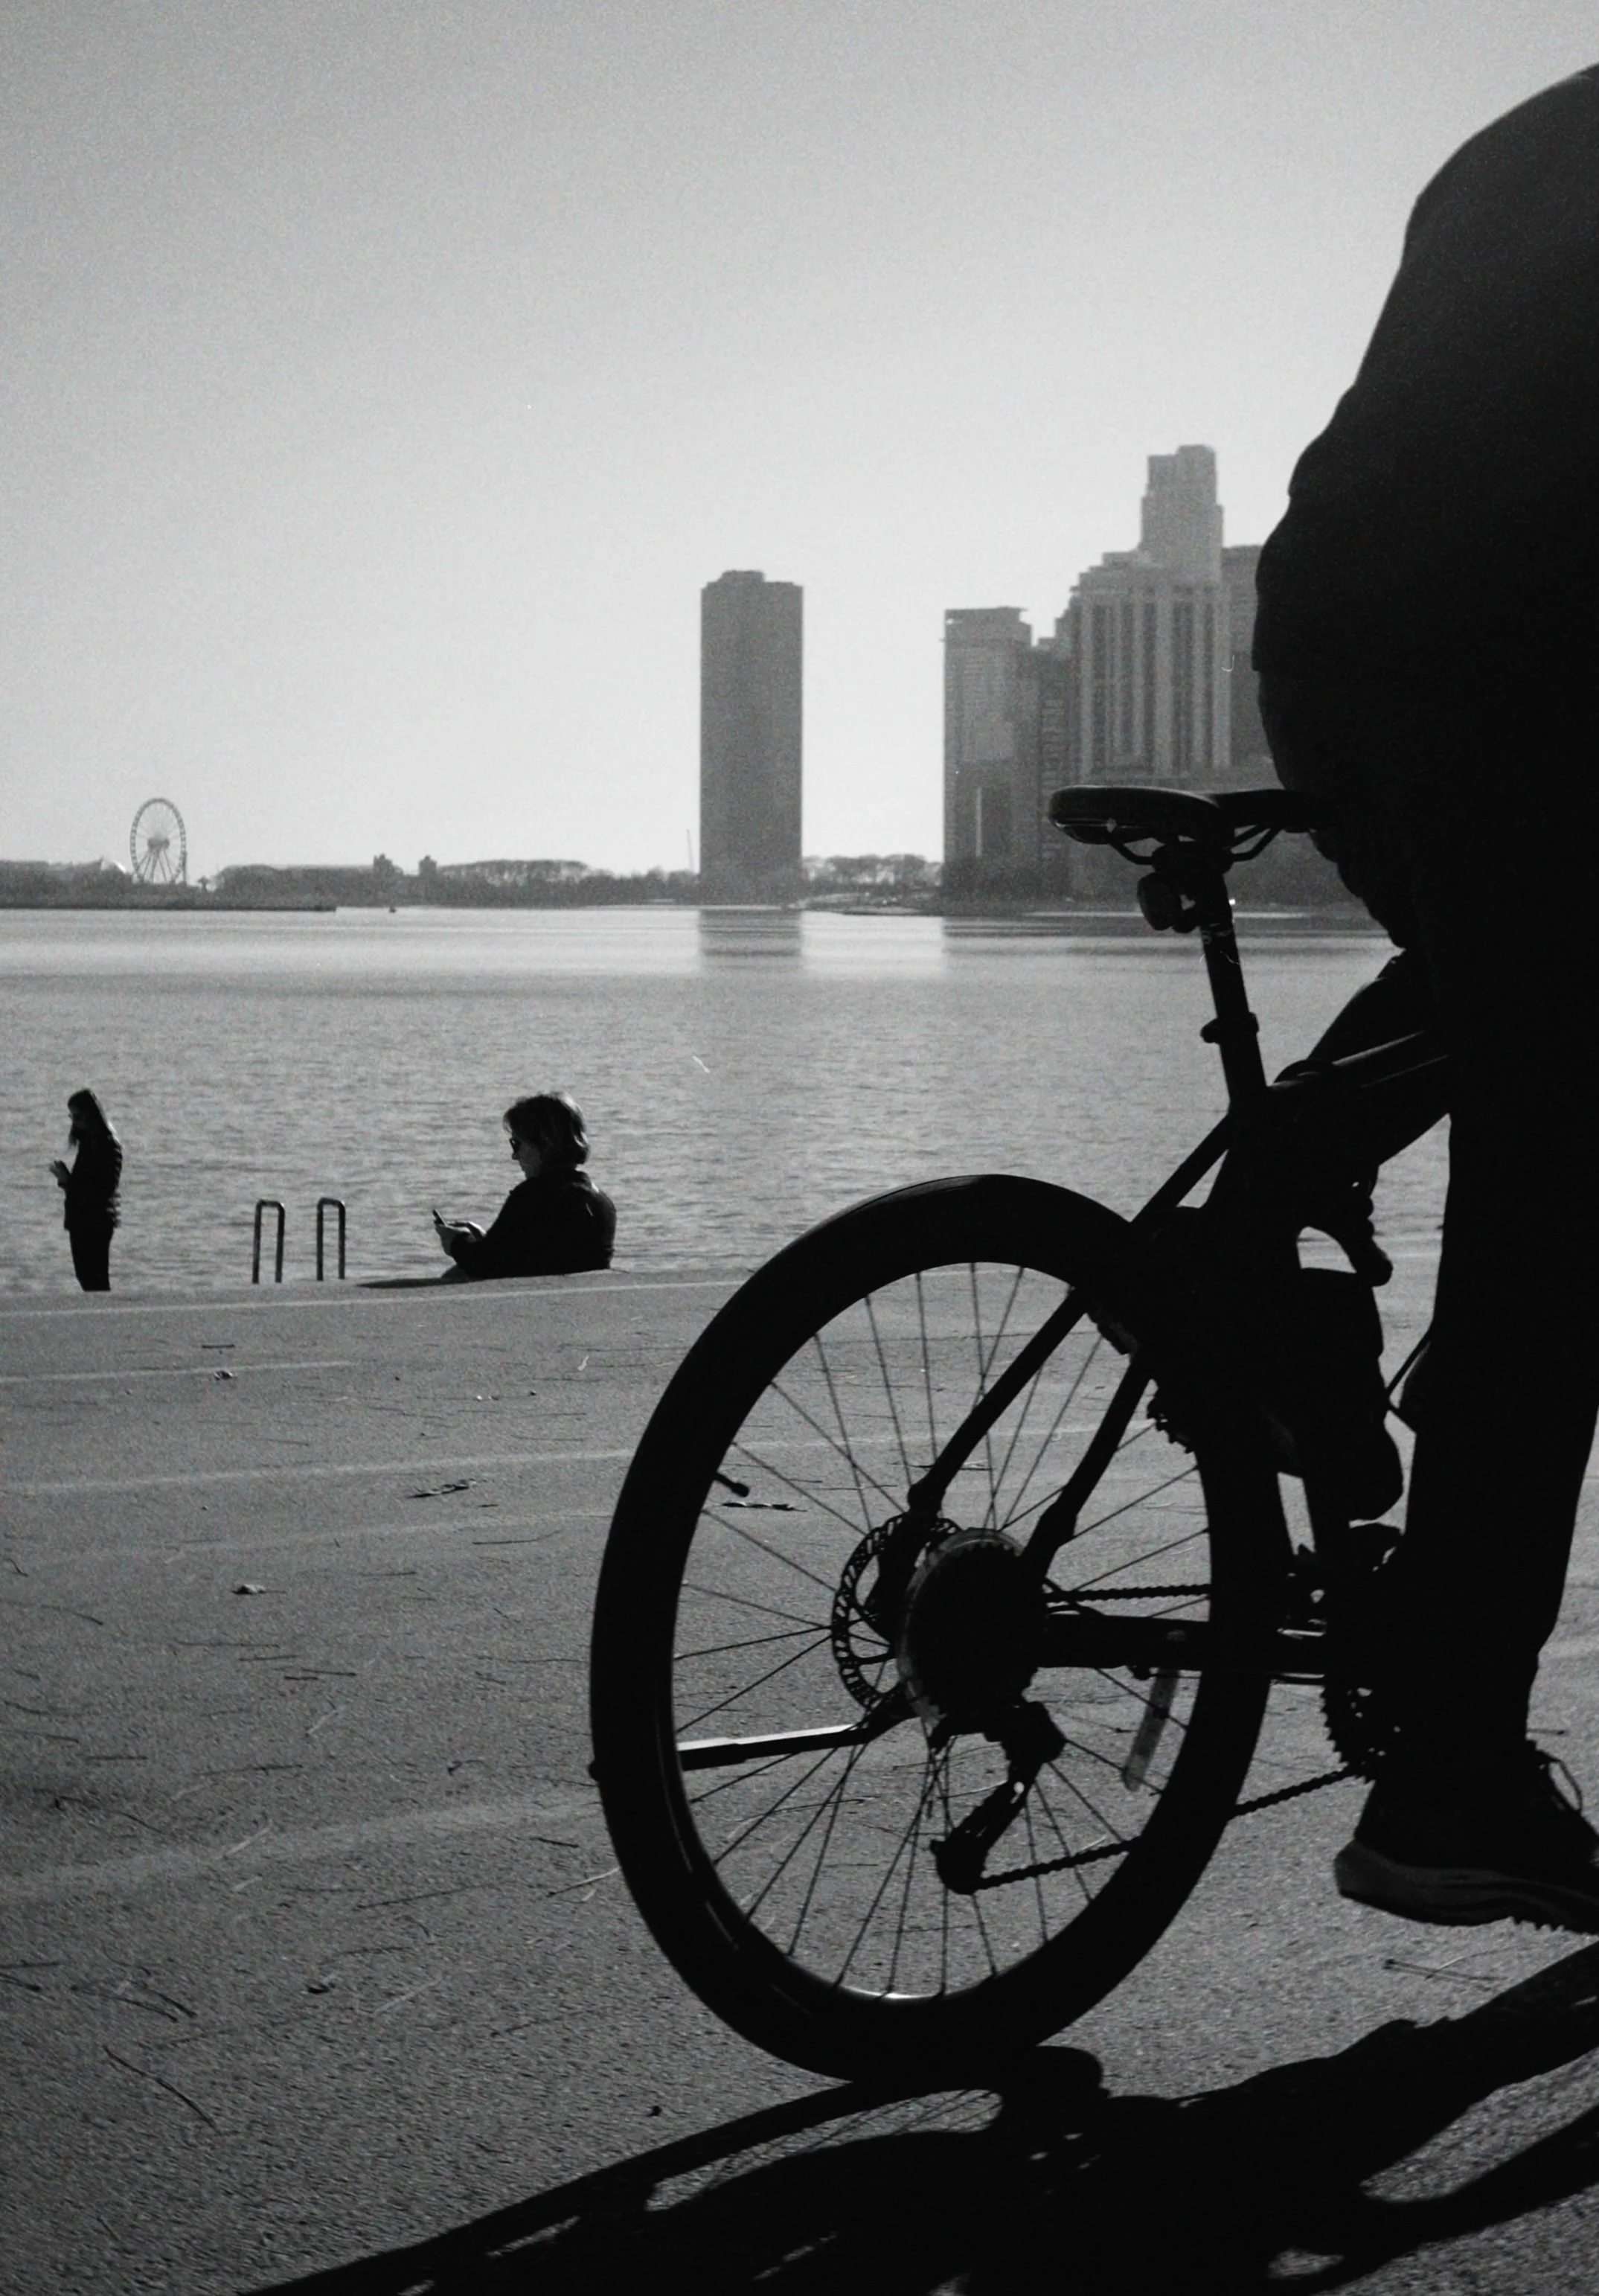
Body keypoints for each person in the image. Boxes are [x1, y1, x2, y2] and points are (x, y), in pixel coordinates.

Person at [1253, 65, 1599, 1931]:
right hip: (1516, 656)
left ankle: (1269, 1236)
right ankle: (1455, 1764)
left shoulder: (1519, 136)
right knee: (1561, 1186)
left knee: (1521, 976)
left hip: (1330, 636)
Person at [434, 1092, 615, 1280]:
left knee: (456, 1275)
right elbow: (541, 1254)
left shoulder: (534, 1196)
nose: (515, 1155)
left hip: (536, 1302)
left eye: (517, 1144)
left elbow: (483, 1266)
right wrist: (489, 1240)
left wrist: (456, 1241)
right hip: (576, 1300)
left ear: (543, 1143)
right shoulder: (601, 1202)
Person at [50, 1089, 122, 1292]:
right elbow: (85, 1186)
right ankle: (101, 1318)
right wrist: (66, 1181)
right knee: (85, 1277)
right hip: (81, 1218)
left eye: (78, 1116)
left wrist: (68, 1182)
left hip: (96, 1220)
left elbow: (104, 1188)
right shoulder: (88, 1142)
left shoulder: (107, 1145)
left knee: (95, 1279)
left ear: (91, 1114)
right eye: (72, 1116)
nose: (75, 1122)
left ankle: (105, 1319)